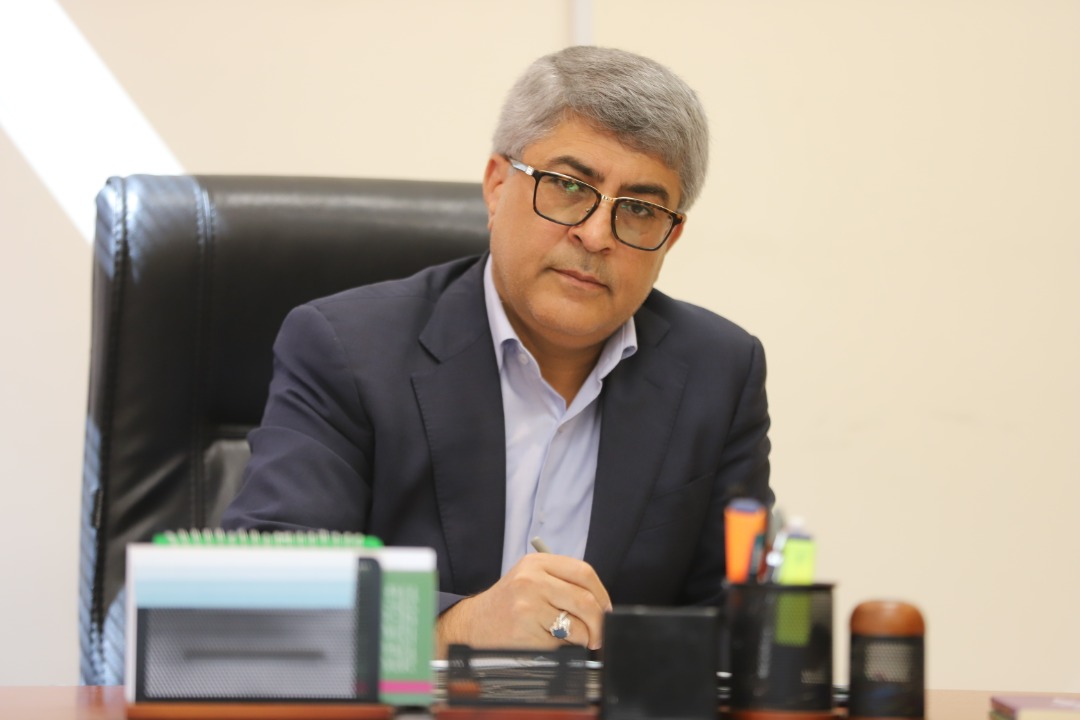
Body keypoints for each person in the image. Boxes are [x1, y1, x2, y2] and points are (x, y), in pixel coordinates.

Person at [222, 46, 772, 656]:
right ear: (496, 185)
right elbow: (264, 594)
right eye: (569, 186)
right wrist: (455, 627)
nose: (595, 235)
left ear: (670, 237)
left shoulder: (719, 374)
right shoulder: (346, 349)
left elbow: (737, 629)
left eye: (639, 209)